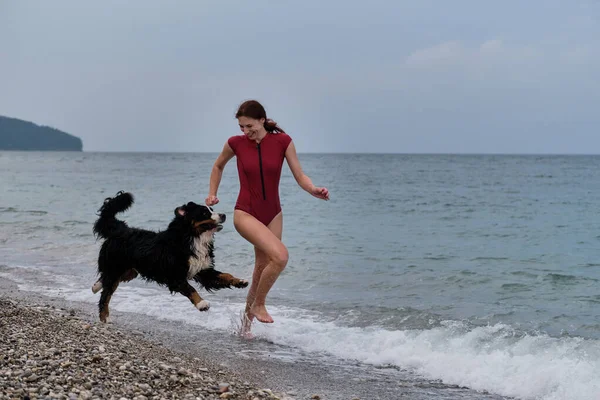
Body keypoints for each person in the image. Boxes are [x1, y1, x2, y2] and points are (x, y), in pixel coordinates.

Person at [205, 99, 329, 335]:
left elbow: (300, 175)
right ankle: (258, 304)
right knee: (280, 257)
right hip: (245, 212)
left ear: (262, 120)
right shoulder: (235, 144)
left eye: (249, 126)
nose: (246, 131)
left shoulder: (283, 142)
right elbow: (218, 166)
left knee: (262, 267)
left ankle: (244, 328)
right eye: (242, 127)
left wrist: (313, 189)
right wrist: (212, 193)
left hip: (273, 213)